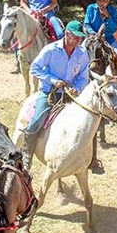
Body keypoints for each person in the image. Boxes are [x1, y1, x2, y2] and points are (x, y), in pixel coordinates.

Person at [24, 21, 90, 159]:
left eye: (80, 38)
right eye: (76, 37)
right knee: (36, 121)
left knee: (89, 121)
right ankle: (26, 154)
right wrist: (53, 80)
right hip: (50, 93)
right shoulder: (50, 50)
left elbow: (84, 77)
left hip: (70, 95)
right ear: (67, 34)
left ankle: (90, 158)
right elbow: (34, 68)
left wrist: (77, 89)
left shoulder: (82, 53)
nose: (79, 40)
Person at [84, 0, 117, 93]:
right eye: (99, 0)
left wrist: (108, 17)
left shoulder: (112, 11)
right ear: (96, 1)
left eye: (104, 0)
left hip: (108, 38)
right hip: (92, 37)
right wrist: (93, 33)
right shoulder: (90, 9)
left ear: (108, 1)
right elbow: (87, 24)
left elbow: (115, 28)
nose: (101, 3)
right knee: (81, 52)